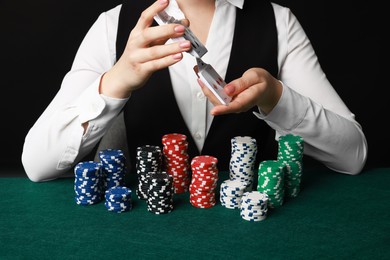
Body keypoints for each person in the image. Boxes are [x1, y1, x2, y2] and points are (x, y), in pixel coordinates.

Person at [21, 0, 368, 182]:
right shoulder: (113, 25)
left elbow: (353, 155)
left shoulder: (279, 22)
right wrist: (116, 81)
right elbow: (37, 163)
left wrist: (275, 97)